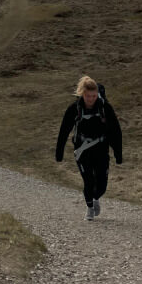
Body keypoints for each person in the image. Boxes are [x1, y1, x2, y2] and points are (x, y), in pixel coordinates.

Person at [55, 75, 122, 220]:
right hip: (82, 150)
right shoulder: (75, 108)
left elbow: (115, 130)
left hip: (101, 149)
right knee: (88, 181)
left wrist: (118, 153)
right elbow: (64, 130)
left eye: (93, 96)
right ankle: (90, 207)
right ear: (82, 94)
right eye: (87, 96)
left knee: (102, 184)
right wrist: (59, 153)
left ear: (97, 94)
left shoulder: (105, 107)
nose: (91, 99)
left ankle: (96, 197)